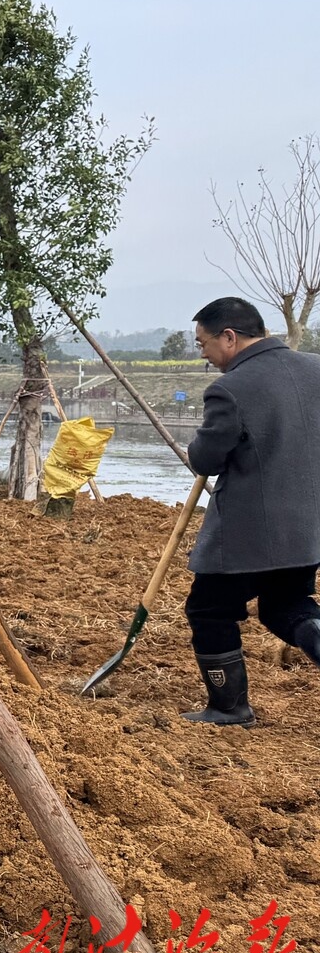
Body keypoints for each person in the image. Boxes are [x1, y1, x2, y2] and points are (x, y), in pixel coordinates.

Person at [179, 297, 320, 726]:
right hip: (309, 526)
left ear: (229, 337)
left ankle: (229, 707)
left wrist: (196, 448)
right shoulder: (316, 368)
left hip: (250, 532)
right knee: (286, 604)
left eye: (204, 343)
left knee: (209, 609)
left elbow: (206, 459)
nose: (203, 354)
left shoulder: (231, 389)